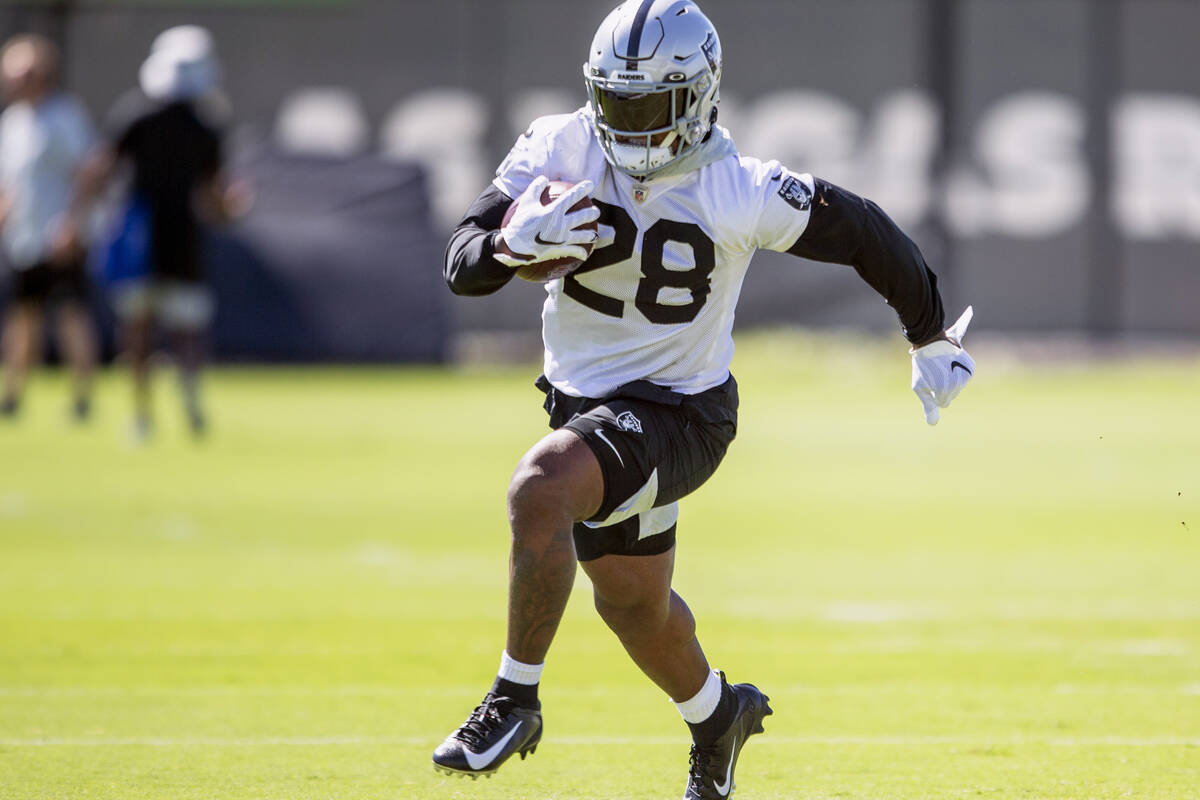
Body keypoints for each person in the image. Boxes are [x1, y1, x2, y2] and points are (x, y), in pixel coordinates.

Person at [435, 1, 976, 797]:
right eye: (616, 102)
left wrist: (929, 332)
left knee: (540, 488)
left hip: (682, 414)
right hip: (585, 407)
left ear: (695, 98)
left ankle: (513, 699)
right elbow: (462, 262)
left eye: (648, 106)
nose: (629, 125)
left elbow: (863, 231)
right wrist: (511, 244)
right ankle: (719, 717)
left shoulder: (738, 187)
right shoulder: (560, 144)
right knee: (633, 606)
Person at [64, 25, 240, 440]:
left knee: (154, 327)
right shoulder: (176, 120)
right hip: (152, 235)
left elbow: (99, 171)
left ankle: (158, 412)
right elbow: (216, 198)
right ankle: (167, 410)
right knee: (167, 328)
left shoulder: (192, 123)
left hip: (155, 234)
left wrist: (79, 215)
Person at [0, 34, 97, 421]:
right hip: (23, 236)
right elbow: (10, 182)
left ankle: (82, 398)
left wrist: (72, 222)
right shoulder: (12, 122)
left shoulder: (64, 116)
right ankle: (13, 394)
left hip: (59, 234)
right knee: (23, 316)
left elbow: (87, 172)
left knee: (70, 314)